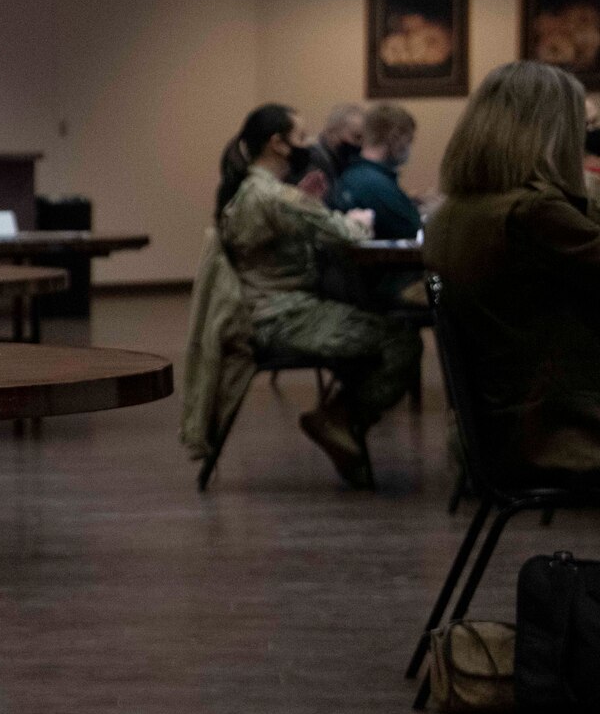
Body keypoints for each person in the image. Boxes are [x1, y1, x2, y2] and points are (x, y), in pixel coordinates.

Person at [216, 103, 420, 488]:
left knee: (375, 331)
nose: (308, 143)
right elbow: (349, 234)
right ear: (277, 144)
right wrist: (359, 221)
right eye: (300, 136)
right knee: (400, 343)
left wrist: (305, 201)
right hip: (283, 317)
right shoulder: (274, 197)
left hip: (267, 311)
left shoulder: (256, 190)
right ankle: (337, 419)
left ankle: (339, 419)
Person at [426, 61, 600, 480]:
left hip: (499, 425)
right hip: (556, 427)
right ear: (553, 131)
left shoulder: (452, 213)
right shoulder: (533, 212)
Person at [329, 102, 422, 240]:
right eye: (409, 140)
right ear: (394, 137)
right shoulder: (375, 184)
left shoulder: (352, 174)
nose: (409, 147)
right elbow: (411, 230)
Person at [308, 102, 366, 194]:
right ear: (332, 132)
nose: (361, 144)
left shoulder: (340, 157)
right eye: (357, 137)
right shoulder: (313, 160)